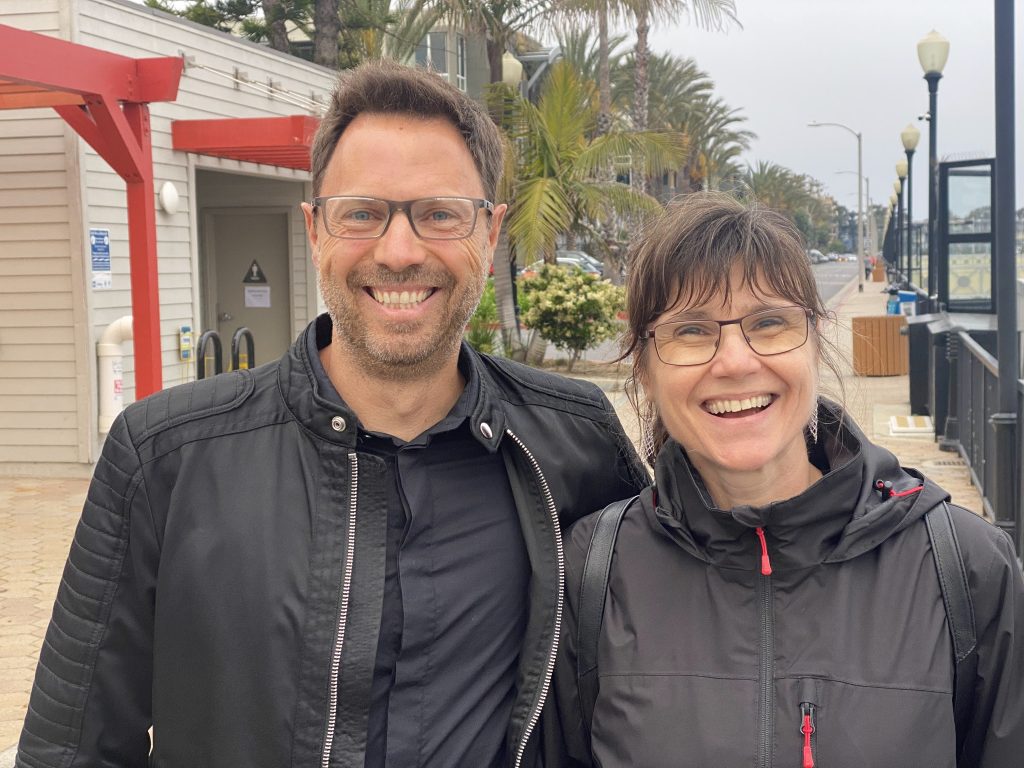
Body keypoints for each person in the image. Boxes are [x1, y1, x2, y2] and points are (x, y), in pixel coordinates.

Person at [17, 60, 647, 768]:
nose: (399, 251)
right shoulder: (164, 458)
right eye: (362, 214)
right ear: (315, 230)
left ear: (490, 232)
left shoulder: (576, 442)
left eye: (440, 214)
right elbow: (71, 749)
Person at [555, 192, 1024, 767]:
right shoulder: (590, 571)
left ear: (815, 342)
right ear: (645, 369)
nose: (734, 362)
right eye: (692, 330)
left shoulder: (965, 567)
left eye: (769, 322)